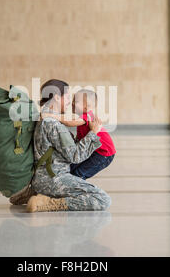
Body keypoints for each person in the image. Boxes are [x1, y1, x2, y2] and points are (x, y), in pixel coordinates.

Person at [26, 79, 112, 212]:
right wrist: (93, 133)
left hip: (45, 177)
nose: (69, 102)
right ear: (56, 97)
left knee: (80, 181)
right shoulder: (53, 123)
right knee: (102, 199)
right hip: (53, 179)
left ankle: (34, 193)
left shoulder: (44, 117)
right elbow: (76, 156)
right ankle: (50, 203)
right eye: (67, 97)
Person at [41, 89, 116, 180]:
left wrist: (53, 116)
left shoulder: (87, 116)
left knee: (79, 173)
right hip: (96, 151)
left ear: (86, 108)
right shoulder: (82, 117)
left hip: (103, 153)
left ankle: (76, 188)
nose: (72, 103)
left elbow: (70, 122)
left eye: (75, 102)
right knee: (72, 168)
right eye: (72, 100)